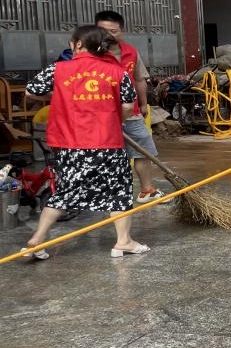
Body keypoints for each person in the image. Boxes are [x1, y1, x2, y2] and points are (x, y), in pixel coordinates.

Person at [21, 25, 150, 260]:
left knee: (65, 191)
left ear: (78, 44)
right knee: (118, 191)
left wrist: (56, 96)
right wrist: (113, 122)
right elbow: (128, 106)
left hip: (68, 143)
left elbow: (31, 91)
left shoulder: (57, 69)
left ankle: (37, 240)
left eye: (72, 42)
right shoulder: (118, 72)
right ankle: (123, 242)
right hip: (106, 142)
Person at [94, 11, 165, 204]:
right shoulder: (91, 55)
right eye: (102, 30)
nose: (108, 34)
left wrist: (143, 104)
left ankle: (146, 191)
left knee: (143, 149)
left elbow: (140, 79)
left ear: (121, 31)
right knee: (107, 155)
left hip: (131, 113)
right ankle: (107, 194)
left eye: (113, 30)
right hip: (101, 115)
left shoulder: (131, 52)